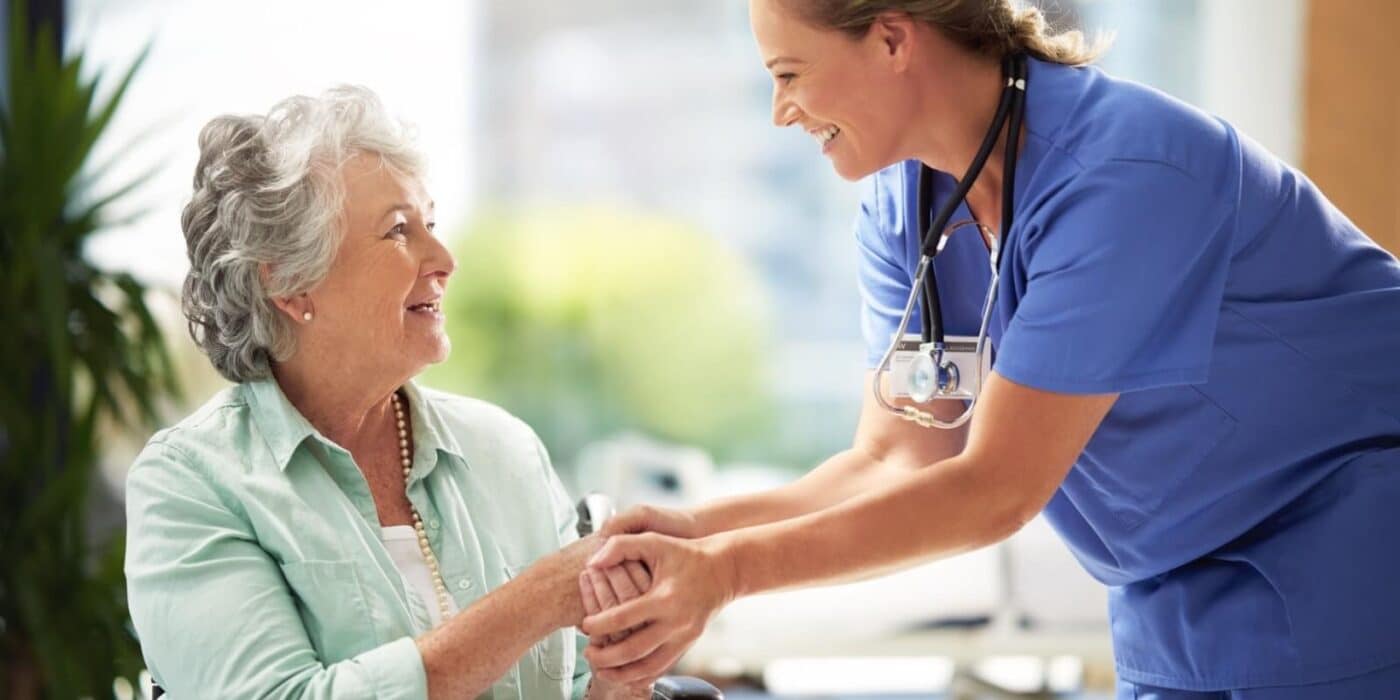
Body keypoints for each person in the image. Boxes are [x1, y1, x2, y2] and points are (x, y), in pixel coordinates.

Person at [577, 1, 1400, 698]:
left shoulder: (1129, 171)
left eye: (789, 74)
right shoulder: (907, 207)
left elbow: (994, 489)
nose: (779, 110)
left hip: (1344, 562)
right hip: (1172, 600)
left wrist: (727, 575)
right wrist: (696, 533)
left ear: (893, 41)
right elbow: (900, 457)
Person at [124, 86, 652, 699]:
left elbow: (591, 678)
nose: (445, 258)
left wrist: (624, 678)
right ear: (292, 286)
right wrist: (534, 602)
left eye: (431, 222)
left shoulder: (507, 451)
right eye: (399, 231)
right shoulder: (192, 484)